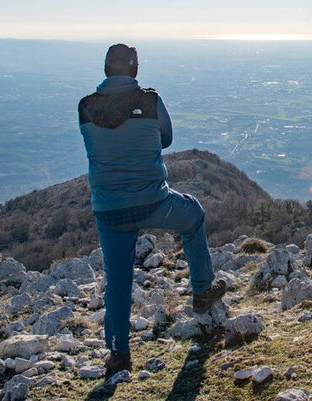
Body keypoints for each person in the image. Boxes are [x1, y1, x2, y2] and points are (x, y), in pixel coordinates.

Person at [79, 43, 226, 377]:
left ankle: (119, 354)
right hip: (154, 202)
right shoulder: (150, 101)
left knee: (117, 279)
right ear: (134, 69)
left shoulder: (85, 107)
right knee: (194, 216)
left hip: (109, 210)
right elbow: (168, 138)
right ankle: (202, 291)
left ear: (106, 69)